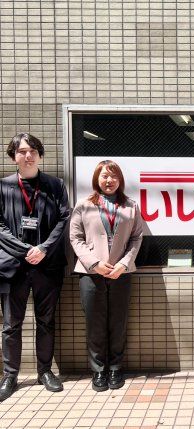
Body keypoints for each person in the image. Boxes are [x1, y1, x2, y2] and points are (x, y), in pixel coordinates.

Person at [0, 133, 70, 401]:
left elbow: (63, 219)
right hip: (13, 266)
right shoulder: (3, 187)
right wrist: (24, 250)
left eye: (33, 151)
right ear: (13, 157)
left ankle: (45, 371)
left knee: (46, 321)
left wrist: (43, 249)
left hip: (47, 265)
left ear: (40, 155)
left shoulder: (55, 185)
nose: (28, 156)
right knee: (11, 324)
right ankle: (10, 375)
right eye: (21, 151)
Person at [69, 160, 142, 392]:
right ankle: (98, 370)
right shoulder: (83, 205)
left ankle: (116, 368)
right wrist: (94, 263)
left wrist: (124, 263)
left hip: (121, 272)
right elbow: (75, 238)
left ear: (120, 180)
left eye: (113, 176)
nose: (109, 180)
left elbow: (136, 238)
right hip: (91, 273)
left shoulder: (131, 206)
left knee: (118, 322)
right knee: (95, 323)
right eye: (104, 176)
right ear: (96, 179)